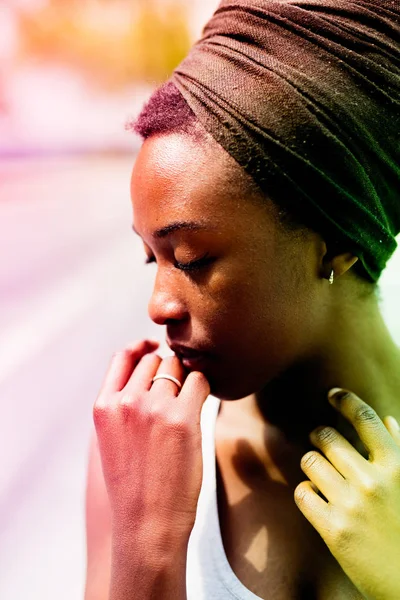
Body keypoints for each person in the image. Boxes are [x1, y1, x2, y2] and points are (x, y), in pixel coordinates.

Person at [84, 1, 400, 599]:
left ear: (334, 243)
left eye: (193, 259)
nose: (159, 306)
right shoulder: (140, 462)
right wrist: (148, 545)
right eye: (153, 258)